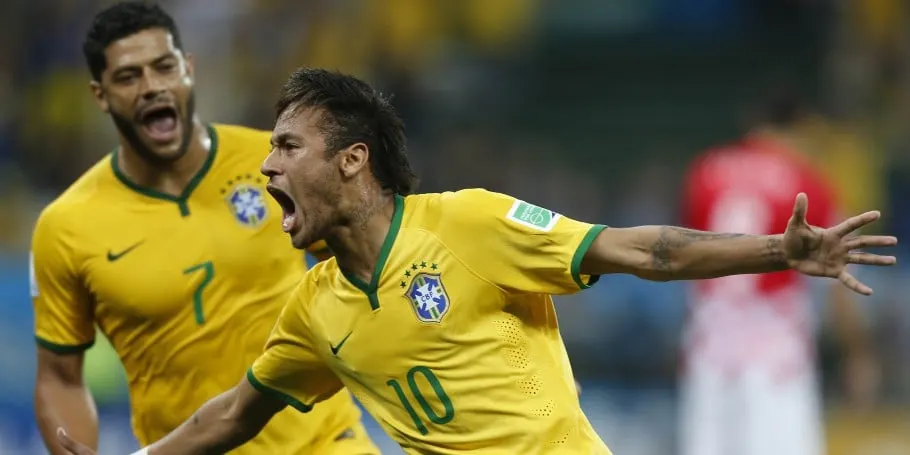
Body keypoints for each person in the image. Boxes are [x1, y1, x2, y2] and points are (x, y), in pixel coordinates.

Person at [56, 68, 898, 455]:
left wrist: (776, 251)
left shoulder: (470, 223)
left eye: (285, 147)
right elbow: (230, 416)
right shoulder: (314, 310)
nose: (265, 167)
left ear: (351, 161)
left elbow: (649, 248)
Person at [31, 3, 378, 455]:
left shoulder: (277, 164)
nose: (152, 86)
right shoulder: (67, 225)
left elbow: (365, 264)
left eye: (163, 66)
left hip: (326, 443)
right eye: (128, 76)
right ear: (100, 95)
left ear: (188, 69)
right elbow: (60, 376)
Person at [677, 87, 880, 455]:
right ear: (799, 128)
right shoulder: (809, 182)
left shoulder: (705, 170)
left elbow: (682, 253)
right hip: (776, 352)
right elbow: (840, 277)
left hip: (710, 344)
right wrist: (858, 354)